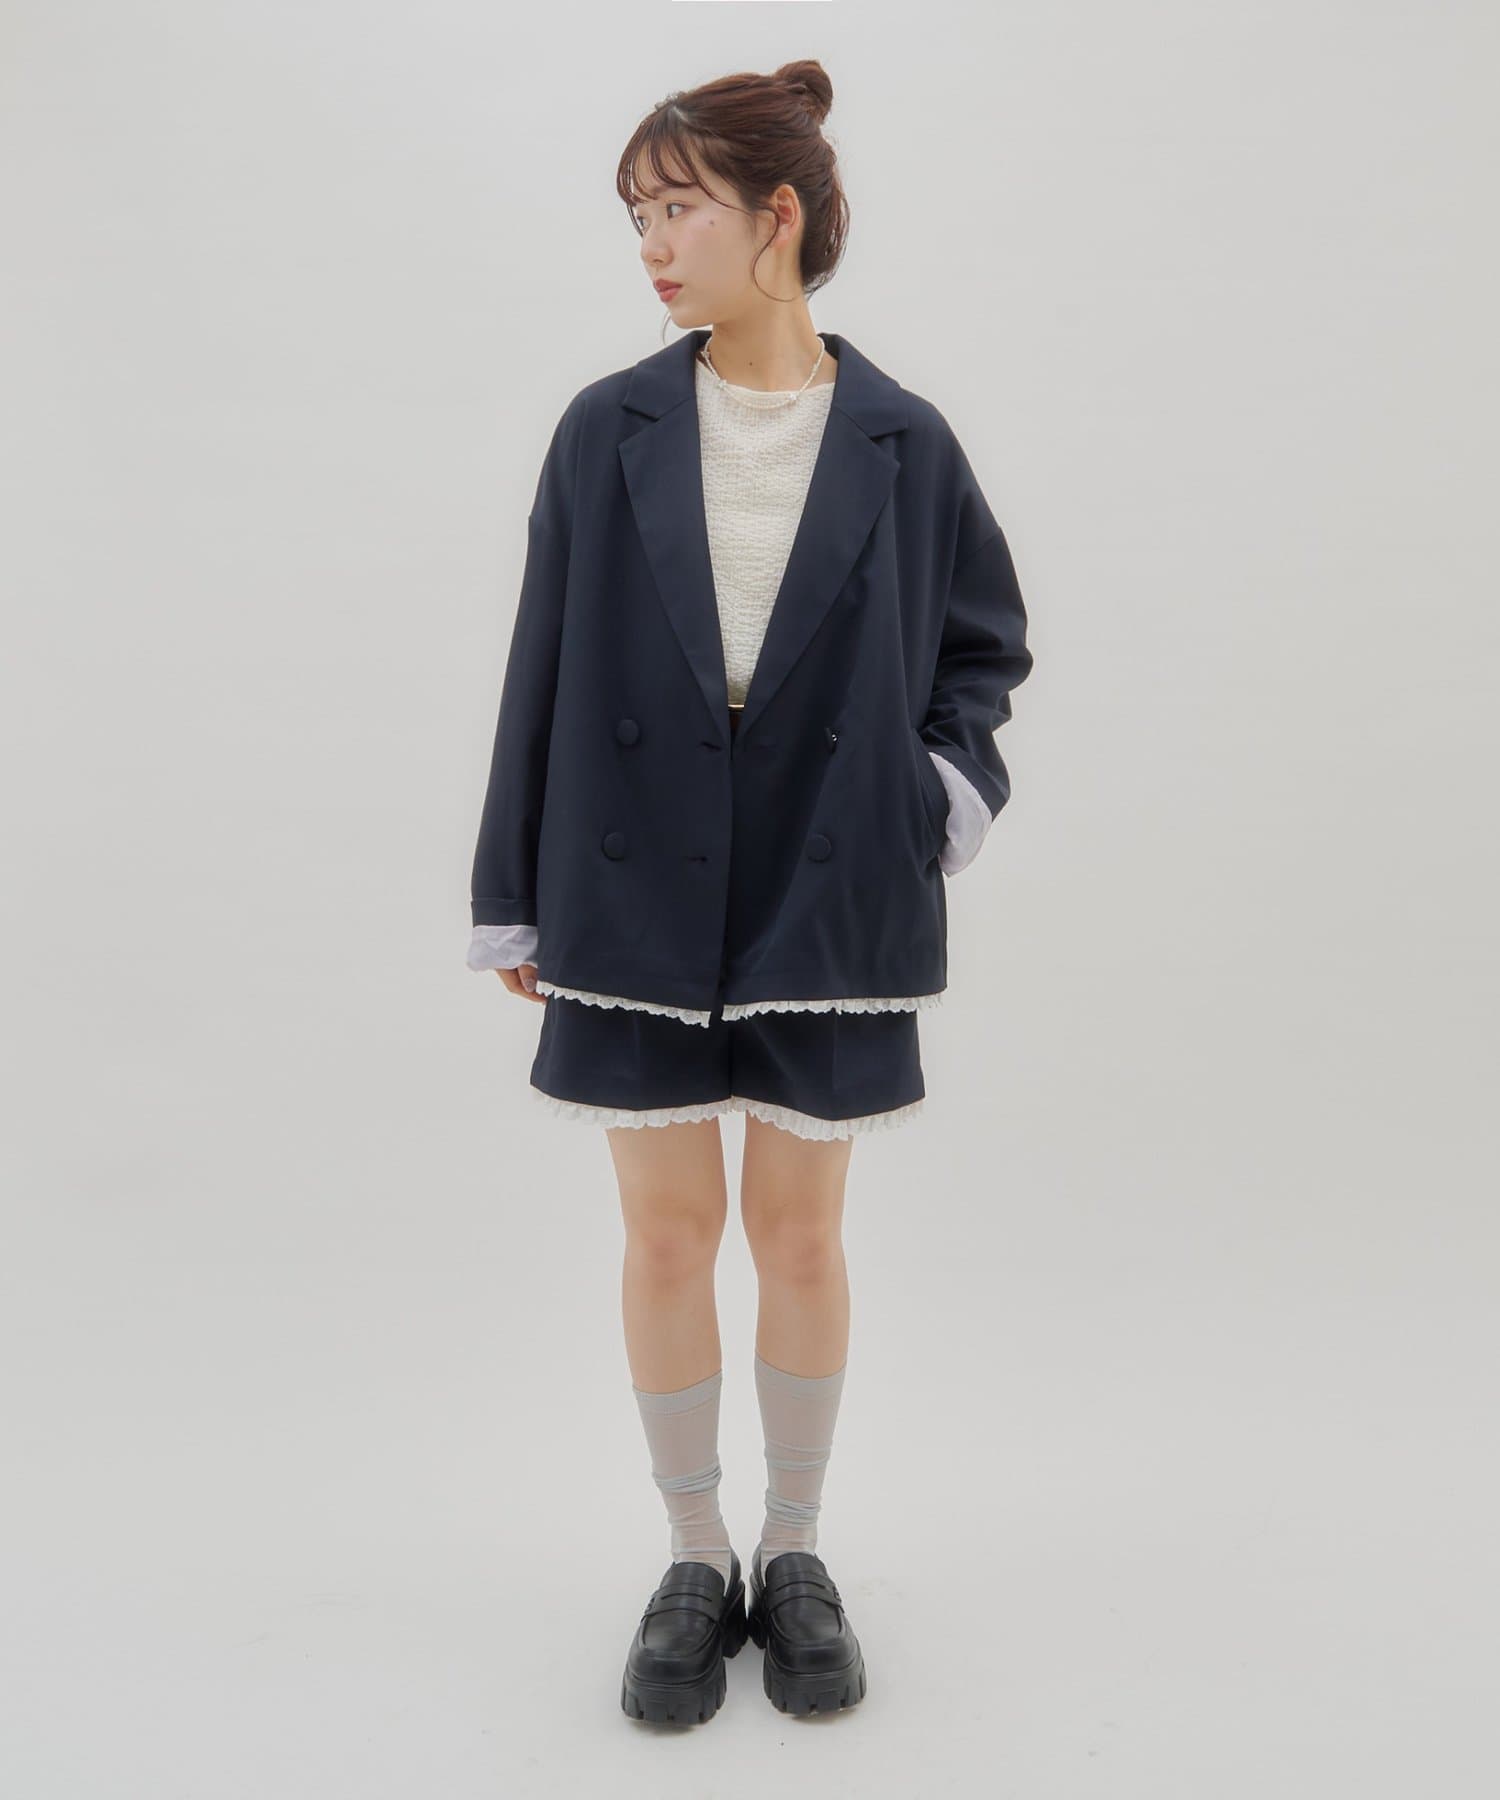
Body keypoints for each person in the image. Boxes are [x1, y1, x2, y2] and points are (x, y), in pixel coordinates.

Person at [466, 60, 1033, 1724]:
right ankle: (691, 1554)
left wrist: (935, 801)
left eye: (678, 207)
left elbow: (984, 650)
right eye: (636, 215)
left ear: (776, 215)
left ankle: (793, 1550)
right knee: (665, 1234)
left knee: (798, 1233)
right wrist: (516, 890)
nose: (650, 244)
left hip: (829, 885)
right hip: (631, 874)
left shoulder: (905, 441)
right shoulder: (607, 426)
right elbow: (540, 661)